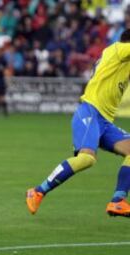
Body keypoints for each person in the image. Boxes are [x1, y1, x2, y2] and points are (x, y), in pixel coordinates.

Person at [26, 29, 130, 217]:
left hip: (105, 122)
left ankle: (118, 201)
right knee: (86, 159)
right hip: (90, 111)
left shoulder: (123, 62)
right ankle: (38, 191)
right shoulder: (118, 49)